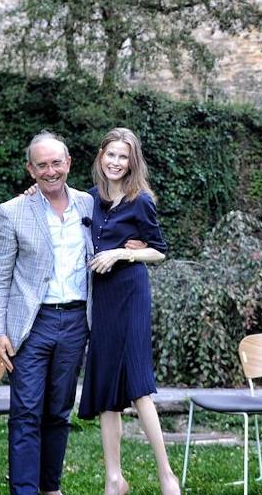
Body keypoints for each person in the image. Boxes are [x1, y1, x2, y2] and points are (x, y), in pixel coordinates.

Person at [0, 130, 142, 495]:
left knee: (58, 411)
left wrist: (133, 246)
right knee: (26, 411)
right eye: (41, 165)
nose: (50, 171)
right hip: (31, 326)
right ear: (30, 169)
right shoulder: (12, 212)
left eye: (56, 163)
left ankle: (50, 487)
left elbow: (126, 218)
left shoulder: (90, 204)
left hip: (76, 322)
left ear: (69, 163)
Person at [80, 127, 179, 495]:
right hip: (103, 298)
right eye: (111, 155)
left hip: (132, 292)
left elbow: (159, 250)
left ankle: (167, 475)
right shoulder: (88, 199)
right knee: (107, 386)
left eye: (123, 157)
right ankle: (114, 479)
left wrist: (122, 253)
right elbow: (52, 200)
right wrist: (31, 192)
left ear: (132, 162)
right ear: (101, 156)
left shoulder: (141, 201)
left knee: (138, 386)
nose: (116, 162)